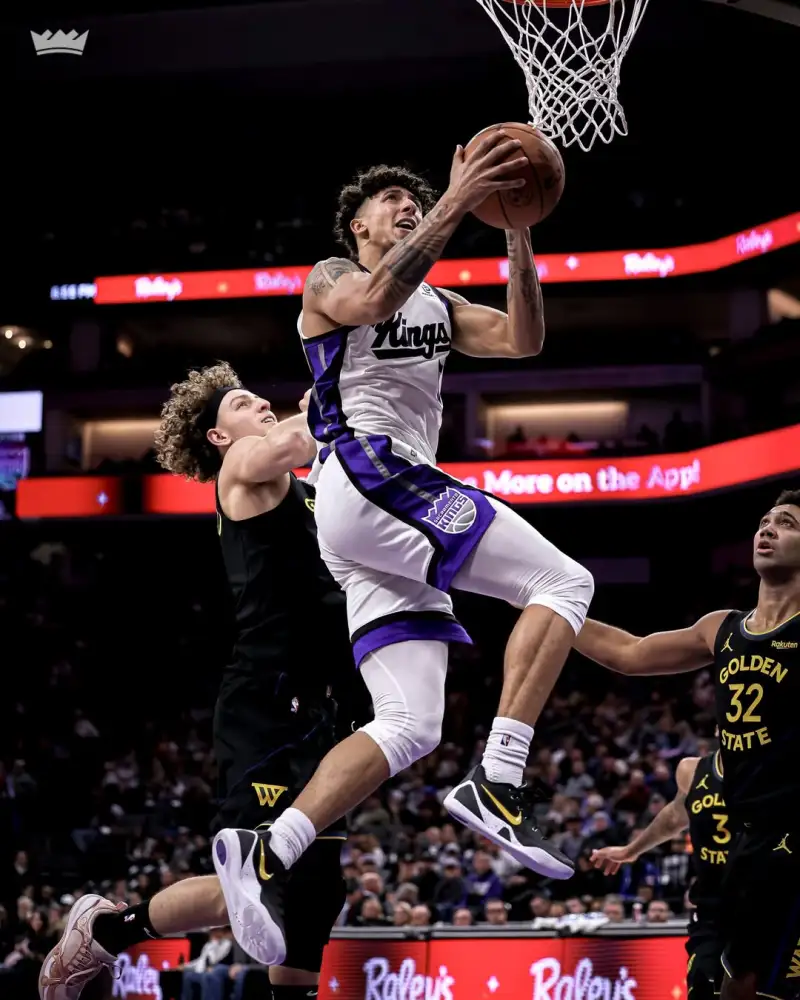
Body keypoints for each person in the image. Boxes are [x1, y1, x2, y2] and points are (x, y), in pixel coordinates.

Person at [211, 133, 594, 966]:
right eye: (392, 202)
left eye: (416, 199)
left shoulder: (441, 305)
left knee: (411, 725)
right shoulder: (330, 277)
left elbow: (524, 338)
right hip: (371, 471)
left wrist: (516, 231)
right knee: (563, 582)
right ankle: (500, 777)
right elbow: (373, 298)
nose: (409, 206)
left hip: (371, 519)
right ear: (357, 225)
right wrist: (459, 198)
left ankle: (269, 849)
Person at [39, 362, 367, 999]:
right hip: (266, 701)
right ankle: (105, 932)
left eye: (260, 399)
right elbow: (296, 439)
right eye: (243, 404)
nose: (261, 405)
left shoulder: (305, 489)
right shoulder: (241, 465)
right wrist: (341, 395)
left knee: (318, 890)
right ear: (219, 437)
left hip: (323, 705)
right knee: (260, 877)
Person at [574, 489, 800, 1000]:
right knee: (737, 982)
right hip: (747, 831)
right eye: (764, 521)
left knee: (748, 981)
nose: (767, 529)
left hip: (790, 827)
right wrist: (552, 612)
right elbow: (629, 652)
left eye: (787, 523)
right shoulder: (720, 628)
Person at [591, 749, 727, 1000]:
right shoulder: (693, 770)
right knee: (704, 988)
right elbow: (676, 815)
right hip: (713, 906)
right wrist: (631, 851)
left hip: (765, 900)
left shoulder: (774, 768)